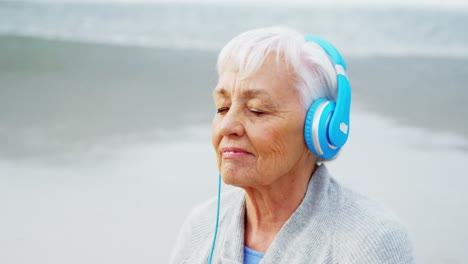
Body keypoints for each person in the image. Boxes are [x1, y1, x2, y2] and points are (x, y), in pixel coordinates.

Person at [170, 27, 414, 264]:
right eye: (222, 108)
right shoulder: (202, 224)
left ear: (320, 127)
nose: (226, 127)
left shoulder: (371, 241)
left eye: (257, 110)